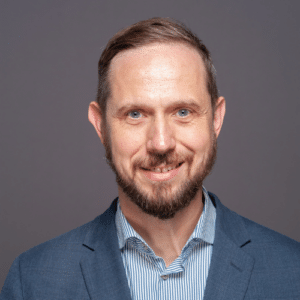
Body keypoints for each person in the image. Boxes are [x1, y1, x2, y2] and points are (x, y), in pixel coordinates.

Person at [1, 17, 300, 300]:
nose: (160, 143)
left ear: (216, 119)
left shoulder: (292, 272)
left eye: (183, 112)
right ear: (101, 125)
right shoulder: (34, 282)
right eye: (135, 114)